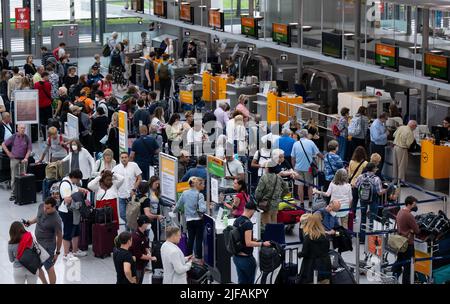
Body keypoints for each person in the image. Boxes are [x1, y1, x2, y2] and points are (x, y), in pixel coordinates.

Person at [22, 197, 62, 284]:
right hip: (37, 243)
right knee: (36, 266)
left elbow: (60, 236)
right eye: (44, 207)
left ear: (54, 207)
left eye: (48, 208)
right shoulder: (41, 206)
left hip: (48, 247)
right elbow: (38, 217)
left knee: (49, 267)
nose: (45, 209)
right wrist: (30, 222)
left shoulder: (56, 220)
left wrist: (57, 252)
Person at [232, 201, 271, 284]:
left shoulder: (237, 220)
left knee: (241, 281)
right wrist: (262, 243)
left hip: (236, 257)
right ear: (252, 210)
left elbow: (239, 237)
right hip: (246, 259)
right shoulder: (248, 223)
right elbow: (248, 243)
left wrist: (252, 238)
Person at [58, 169, 89, 260]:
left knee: (76, 231)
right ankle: (66, 254)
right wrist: (78, 198)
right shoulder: (65, 184)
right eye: (78, 179)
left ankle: (75, 251)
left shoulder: (71, 182)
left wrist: (80, 189)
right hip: (67, 212)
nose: (79, 181)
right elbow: (67, 199)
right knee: (68, 232)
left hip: (73, 212)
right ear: (74, 177)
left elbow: (74, 188)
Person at [175, 177, 206, 263]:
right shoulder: (200, 195)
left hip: (189, 220)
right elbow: (202, 209)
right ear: (197, 184)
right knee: (199, 240)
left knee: (190, 239)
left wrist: (174, 210)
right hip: (199, 220)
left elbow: (178, 205)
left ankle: (188, 257)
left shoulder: (184, 193)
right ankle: (199, 258)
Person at [291, 129, 324, 208]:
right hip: (308, 168)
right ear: (306, 135)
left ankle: (301, 203)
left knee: (300, 186)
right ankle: (310, 202)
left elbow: (293, 157)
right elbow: (318, 153)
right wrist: (325, 158)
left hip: (298, 168)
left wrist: (294, 167)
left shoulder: (296, 144)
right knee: (310, 185)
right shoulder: (311, 142)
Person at [392, 196, 421, 284]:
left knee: (399, 261)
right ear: (409, 204)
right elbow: (417, 231)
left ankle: (394, 277)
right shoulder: (409, 215)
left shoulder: (400, 212)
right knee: (408, 267)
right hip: (408, 244)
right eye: (414, 205)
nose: (415, 207)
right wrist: (413, 229)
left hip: (400, 243)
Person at [355, 162, 387, 241]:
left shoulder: (361, 176)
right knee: (373, 218)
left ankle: (362, 238)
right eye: (375, 168)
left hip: (363, 199)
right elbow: (379, 192)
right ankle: (371, 238)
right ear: (373, 169)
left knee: (363, 217)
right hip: (373, 200)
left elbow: (356, 185)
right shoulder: (376, 179)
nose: (376, 169)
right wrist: (386, 190)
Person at [297, 213, 332, 284]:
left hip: (311, 265)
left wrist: (299, 254)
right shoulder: (325, 235)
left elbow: (305, 252)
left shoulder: (309, 237)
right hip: (325, 263)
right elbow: (327, 249)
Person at [2, 124, 32, 201]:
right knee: (14, 177)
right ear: (17, 129)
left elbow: (29, 149)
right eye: (21, 128)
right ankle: (13, 194)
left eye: (24, 128)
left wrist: (26, 158)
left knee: (23, 177)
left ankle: (23, 192)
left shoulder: (27, 138)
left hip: (23, 160)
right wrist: (9, 153)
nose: (23, 129)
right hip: (14, 159)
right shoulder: (14, 136)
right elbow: (3, 144)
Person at [255, 161, 289, 229]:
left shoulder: (264, 177)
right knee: (274, 223)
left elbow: (258, 192)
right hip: (275, 203)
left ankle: (268, 238)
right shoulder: (278, 177)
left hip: (265, 204)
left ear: (267, 168)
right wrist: (280, 197)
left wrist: (258, 200)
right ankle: (274, 238)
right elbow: (286, 189)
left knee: (266, 226)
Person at [112, 152, 143, 226]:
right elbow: (111, 179)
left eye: (125, 157)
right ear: (120, 158)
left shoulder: (134, 165)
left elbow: (139, 178)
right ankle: (131, 225)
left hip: (131, 195)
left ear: (128, 158)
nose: (124, 159)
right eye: (122, 157)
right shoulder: (116, 168)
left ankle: (129, 232)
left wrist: (134, 189)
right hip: (121, 195)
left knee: (133, 214)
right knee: (122, 214)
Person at [129, 215, 157, 284]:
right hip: (137, 266)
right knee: (137, 281)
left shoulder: (143, 234)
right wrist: (151, 258)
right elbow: (138, 255)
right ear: (143, 224)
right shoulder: (135, 237)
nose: (149, 225)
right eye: (148, 223)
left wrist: (148, 252)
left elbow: (146, 245)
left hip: (142, 264)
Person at [348, 146, 368, 215]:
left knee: (354, 201)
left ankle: (352, 216)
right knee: (363, 201)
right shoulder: (365, 163)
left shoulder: (351, 162)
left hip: (352, 184)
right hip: (361, 185)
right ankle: (363, 216)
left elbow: (349, 174)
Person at [34, 72, 53, 137]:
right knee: (49, 120)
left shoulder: (36, 84)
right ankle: (50, 135)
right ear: (45, 76)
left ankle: (44, 136)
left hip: (40, 105)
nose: (48, 78)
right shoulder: (48, 84)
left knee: (42, 121)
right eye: (48, 76)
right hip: (47, 105)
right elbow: (50, 93)